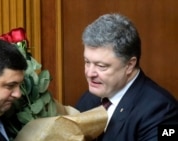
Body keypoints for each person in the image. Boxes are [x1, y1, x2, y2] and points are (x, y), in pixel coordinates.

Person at [75, 13, 178, 141]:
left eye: (101, 66)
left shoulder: (161, 110)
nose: (90, 73)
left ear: (129, 65)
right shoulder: (89, 99)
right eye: (87, 62)